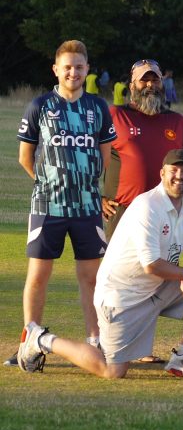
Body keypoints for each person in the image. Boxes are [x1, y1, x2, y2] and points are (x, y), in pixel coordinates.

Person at [17, 150, 183, 381]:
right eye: (174, 170)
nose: (179, 176)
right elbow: (152, 265)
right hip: (121, 297)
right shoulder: (148, 206)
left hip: (155, 289)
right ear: (162, 173)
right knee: (112, 371)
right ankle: (40, 339)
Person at [12, 40, 116, 366]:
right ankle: (29, 343)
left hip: (87, 207)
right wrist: (48, 182)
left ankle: (94, 341)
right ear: (56, 70)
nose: (73, 72)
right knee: (39, 275)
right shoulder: (41, 105)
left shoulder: (98, 107)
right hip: (48, 206)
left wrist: (89, 184)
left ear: (87, 70)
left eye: (79, 67)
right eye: (67, 67)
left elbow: (105, 155)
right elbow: (25, 156)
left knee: (91, 278)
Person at [103, 59, 183, 236]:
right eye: (144, 80)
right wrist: (96, 198)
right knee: (123, 265)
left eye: (156, 80)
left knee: (164, 264)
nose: (150, 85)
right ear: (131, 86)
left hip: (167, 213)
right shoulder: (115, 115)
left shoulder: (178, 121)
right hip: (123, 212)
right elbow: (89, 157)